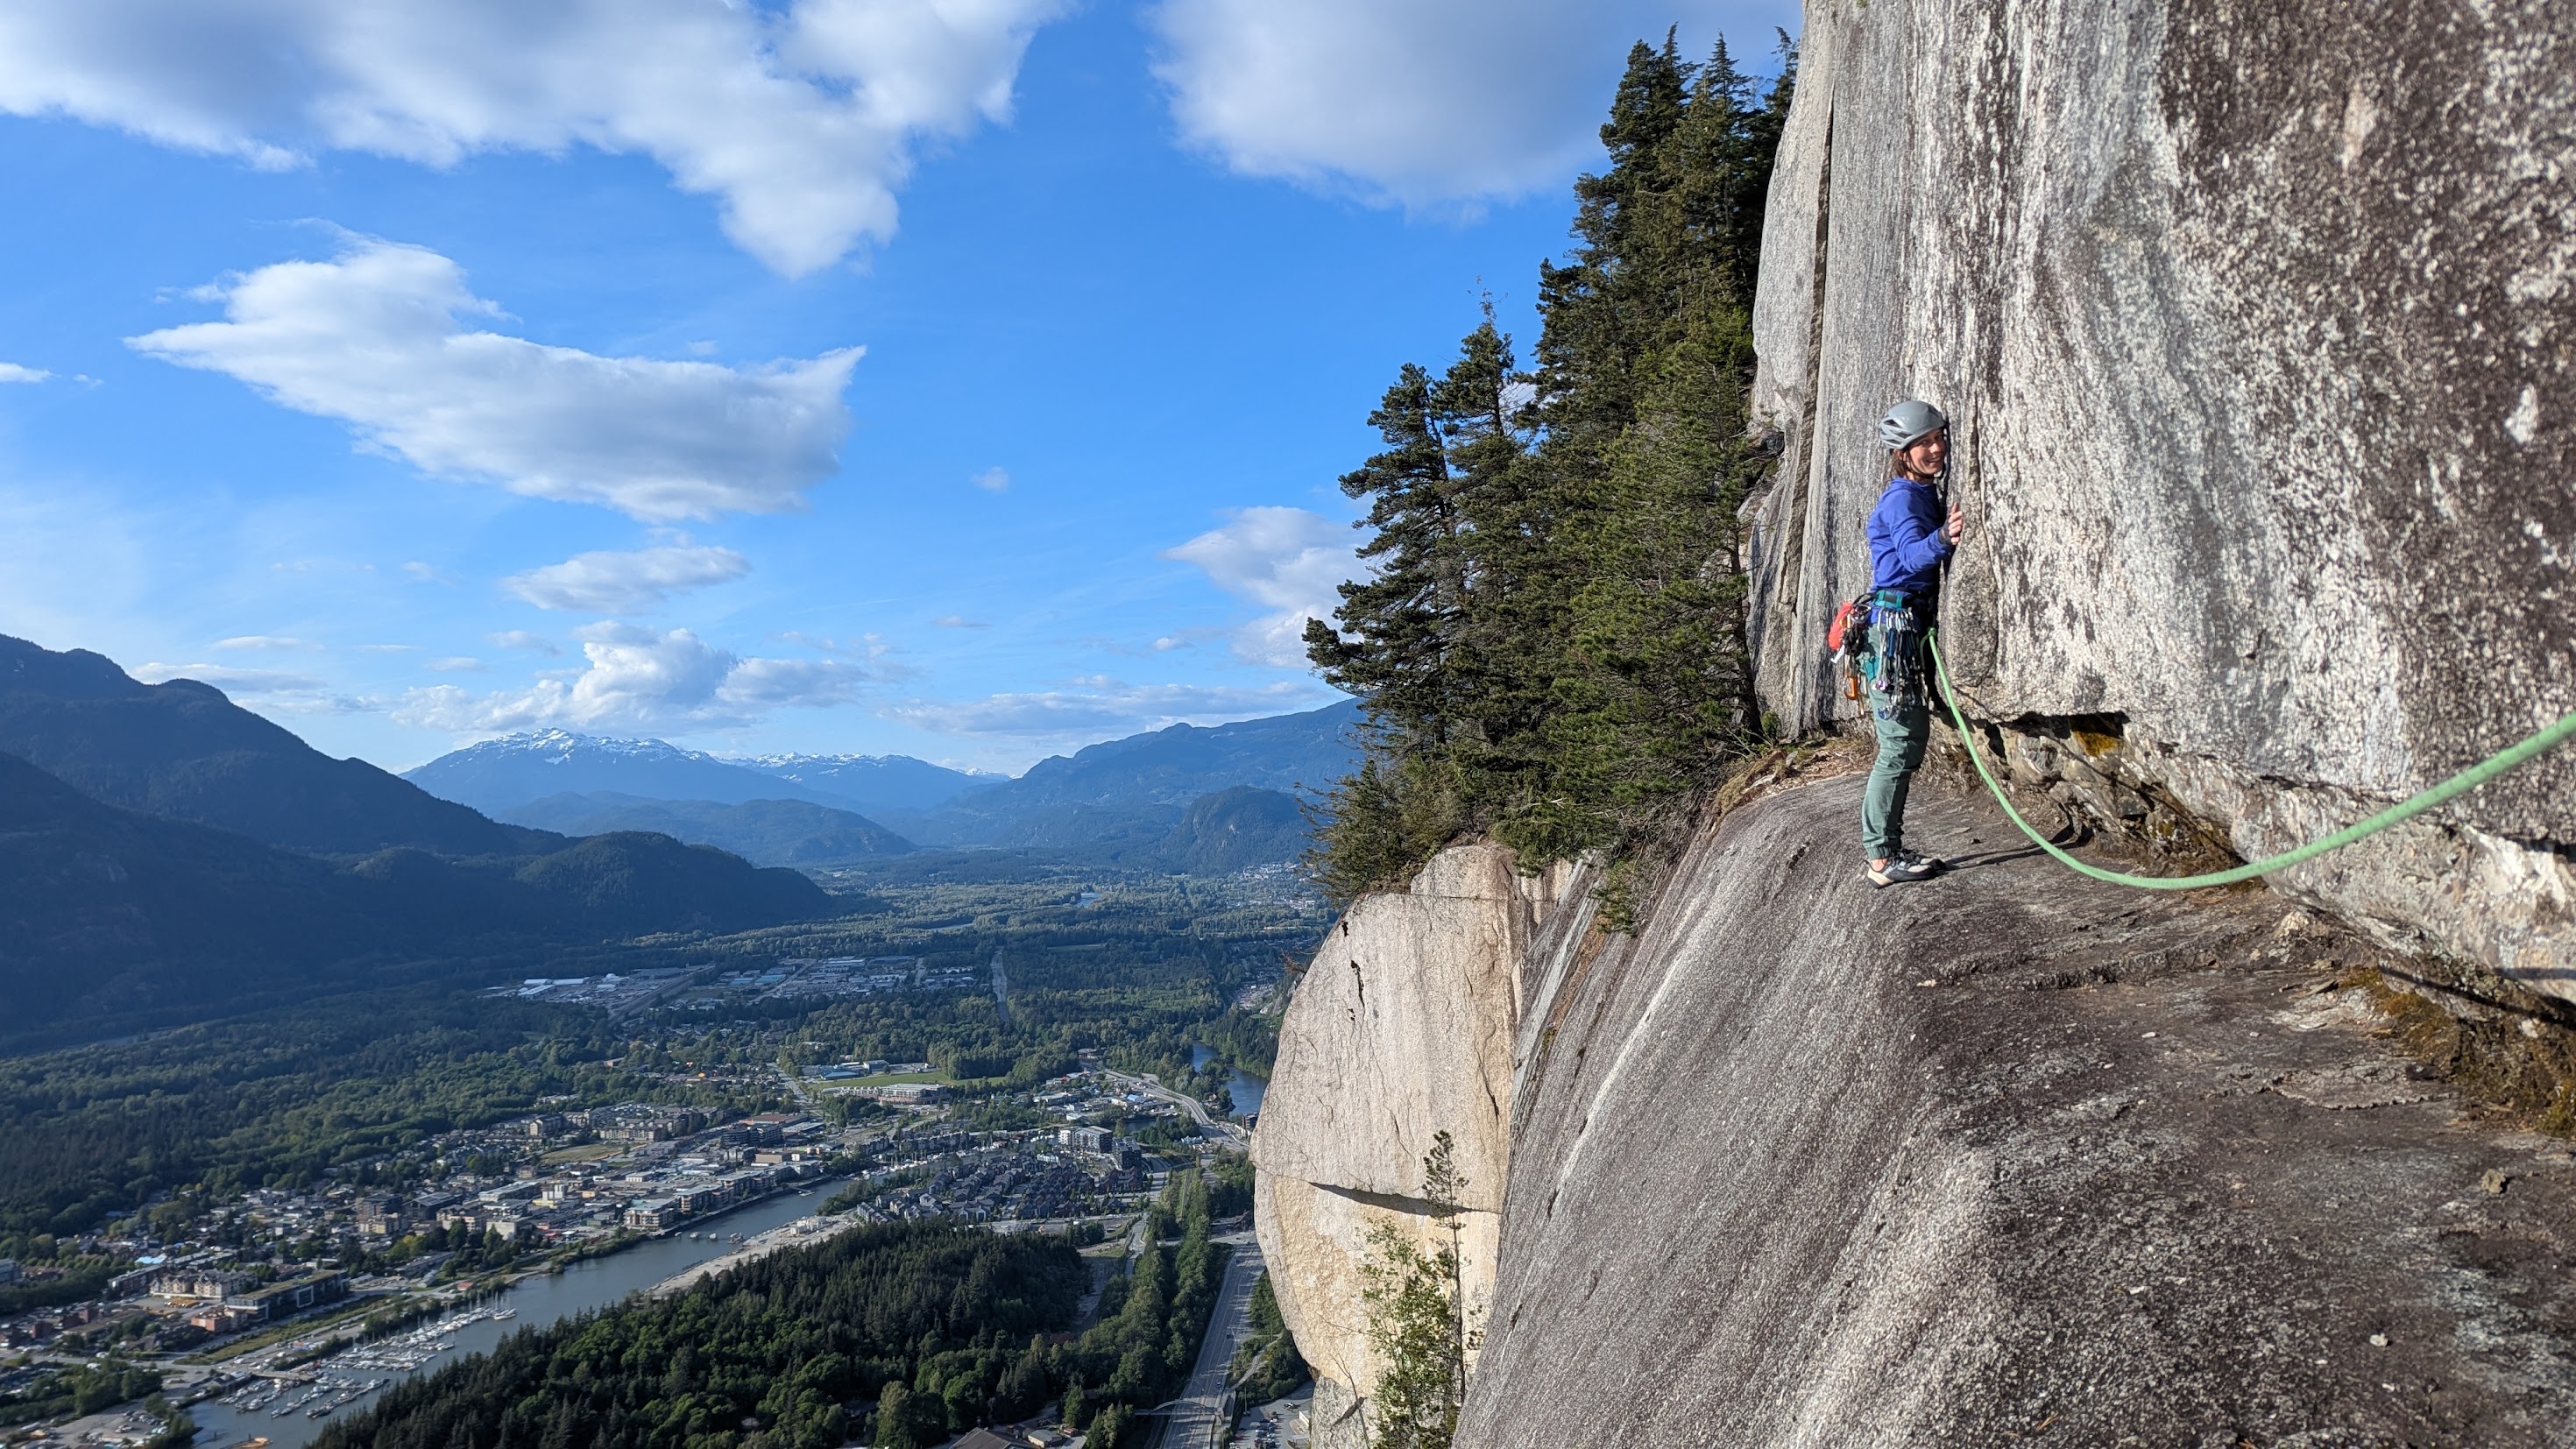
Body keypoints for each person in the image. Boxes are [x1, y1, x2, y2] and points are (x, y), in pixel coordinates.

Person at [1862, 399, 1966, 887]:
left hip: (1905, 623)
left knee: (1907, 741)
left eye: (1939, 437)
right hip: (1893, 629)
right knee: (1899, 744)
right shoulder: (1903, 499)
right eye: (1922, 443)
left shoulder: (1924, 492)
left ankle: (1887, 850)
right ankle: (1882, 858)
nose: (1936, 448)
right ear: (1902, 454)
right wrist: (1945, 536)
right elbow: (1910, 555)